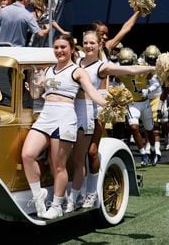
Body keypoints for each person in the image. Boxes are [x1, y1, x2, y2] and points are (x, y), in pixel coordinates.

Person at [21, 34, 107, 220]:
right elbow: (37, 95)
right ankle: (38, 196)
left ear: (72, 49)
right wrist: (34, 83)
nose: (59, 51)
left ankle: (58, 205)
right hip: (46, 115)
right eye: (57, 47)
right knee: (27, 155)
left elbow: (92, 92)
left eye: (63, 47)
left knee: (58, 165)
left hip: (65, 117)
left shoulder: (77, 71)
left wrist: (107, 104)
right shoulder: (49, 70)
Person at [70, 31, 155, 212]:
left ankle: (92, 193)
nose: (88, 46)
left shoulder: (102, 67)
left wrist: (151, 68)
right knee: (76, 155)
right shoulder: (75, 61)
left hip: (95, 112)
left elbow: (130, 70)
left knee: (92, 152)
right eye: (85, 42)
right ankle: (78, 192)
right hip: (74, 112)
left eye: (92, 43)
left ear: (99, 45)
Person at [115, 47, 155, 167]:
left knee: (149, 129)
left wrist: (148, 90)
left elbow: (155, 80)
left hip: (144, 102)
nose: (126, 67)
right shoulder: (118, 70)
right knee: (133, 127)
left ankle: (152, 150)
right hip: (132, 103)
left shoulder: (142, 66)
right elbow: (114, 81)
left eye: (128, 64)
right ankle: (143, 154)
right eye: (124, 64)